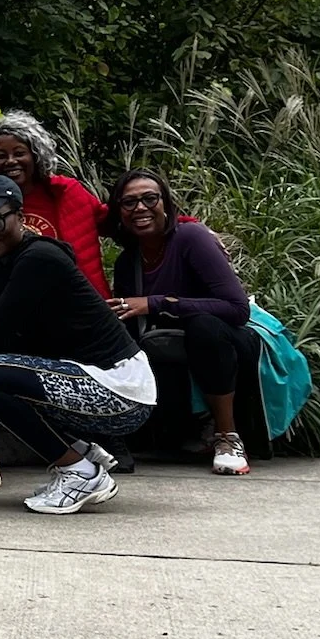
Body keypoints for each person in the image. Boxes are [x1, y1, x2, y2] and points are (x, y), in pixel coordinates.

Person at [0, 174, 156, 515]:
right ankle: (83, 454)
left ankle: (81, 472)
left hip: (122, 391)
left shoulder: (39, 259)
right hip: (95, 384)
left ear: (20, 216)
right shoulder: (7, 267)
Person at [106, 168, 254, 476]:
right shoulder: (127, 262)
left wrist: (156, 302)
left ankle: (228, 436)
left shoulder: (191, 238)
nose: (140, 208)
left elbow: (237, 309)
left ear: (166, 204)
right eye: (129, 202)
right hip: (172, 347)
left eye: (149, 198)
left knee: (203, 326)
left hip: (226, 340)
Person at [0, 110, 110, 297]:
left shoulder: (66, 192)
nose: (11, 161)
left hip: (82, 301)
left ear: (35, 155)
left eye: (19, 153)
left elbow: (115, 224)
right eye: (1, 155)